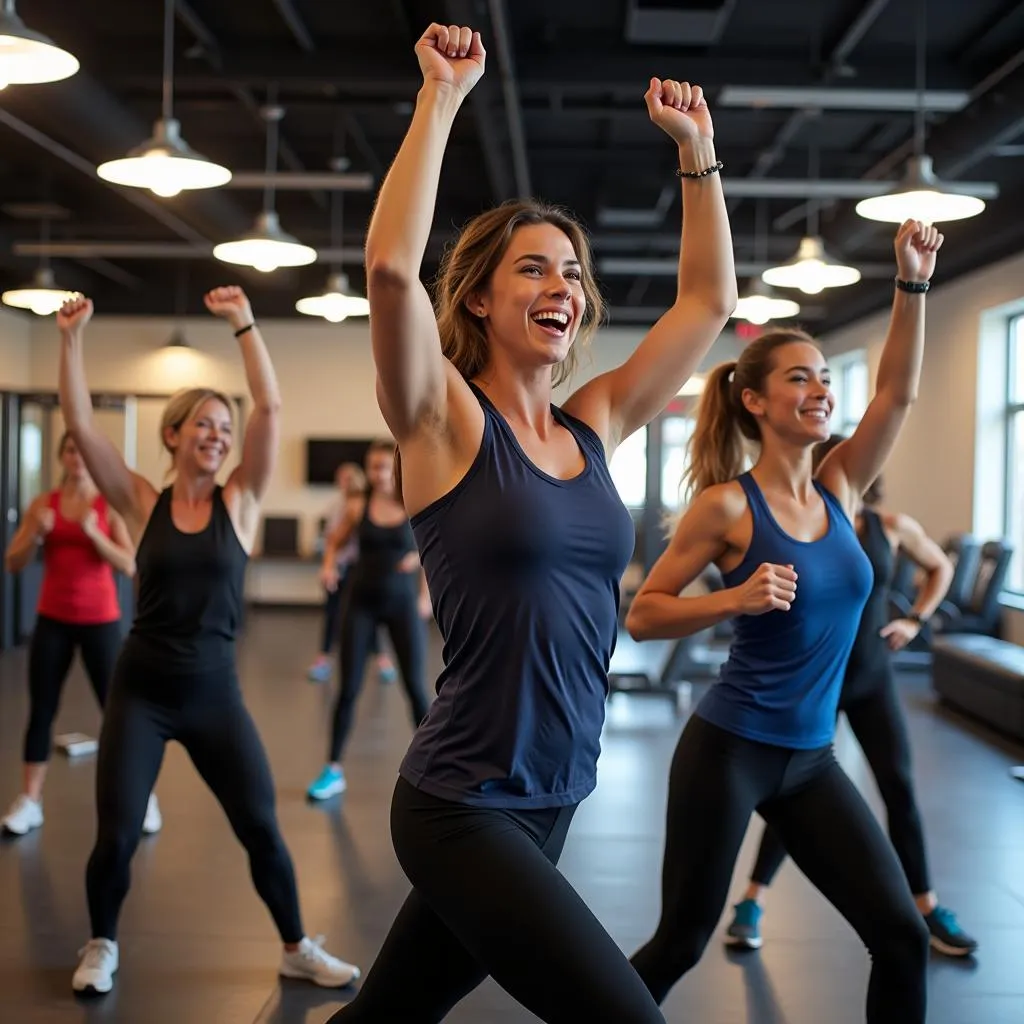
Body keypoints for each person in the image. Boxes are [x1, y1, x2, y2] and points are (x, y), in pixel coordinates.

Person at [328, 20, 736, 1024]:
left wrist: (697, 158)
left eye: (574, 272)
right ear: (476, 293)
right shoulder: (441, 419)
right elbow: (388, 271)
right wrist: (441, 97)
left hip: (557, 789)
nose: (564, 286)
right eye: (534, 268)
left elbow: (708, 300)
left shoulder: (592, 421)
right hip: (461, 803)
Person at [625, 220, 943, 1024]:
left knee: (900, 936)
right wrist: (733, 597)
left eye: (825, 377)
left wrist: (912, 282)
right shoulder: (727, 505)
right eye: (800, 378)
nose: (821, 389)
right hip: (729, 750)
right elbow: (644, 614)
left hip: (810, 761)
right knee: (681, 942)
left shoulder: (841, 489)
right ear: (757, 401)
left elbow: (898, 393)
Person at [56, 288, 359, 997]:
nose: (218, 435)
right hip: (143, 690)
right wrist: (70, 339)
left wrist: (244, 326)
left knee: (261, 827)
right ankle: (101, 942)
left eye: (225, 426)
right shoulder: (140, 500)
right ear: (172, 435)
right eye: (203, 424)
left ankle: (295, 946)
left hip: (214, 692)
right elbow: (79, 422)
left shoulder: (241, 502)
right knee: (118, 835)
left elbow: (273, 410)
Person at [725, 433, 978, 957]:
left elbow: (941, 567)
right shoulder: (801, 529)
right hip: (816, 679)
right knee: (793, 791)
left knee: (899, 786)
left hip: (870, 676)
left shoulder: (890, 526)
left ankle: (927, 906)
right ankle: (751, 901)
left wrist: (914, 620)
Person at [1, 433, 161, 838]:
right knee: (41, 711)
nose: (77, 458)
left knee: (120, 714)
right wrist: (35, 533)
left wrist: (95, 535)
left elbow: (130, 564)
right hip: (52, 620)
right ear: (62, 456)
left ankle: (144, 797)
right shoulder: (44, 505)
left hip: (101, 621)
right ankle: (30, 802)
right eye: (70, 450)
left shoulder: (107, 506)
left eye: (83, 451)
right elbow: (13, 562)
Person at [307, 440, 432, 800]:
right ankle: (333, 769)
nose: (377, 474)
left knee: (414, 687)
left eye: (383, 467)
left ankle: (433, 767)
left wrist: (424, 595)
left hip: (401, 604)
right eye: (372, 467)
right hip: (360, 601)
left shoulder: (413, 504)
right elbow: (334, 542)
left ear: (395, 467)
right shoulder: (357, 505)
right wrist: (329, 565)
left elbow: (430, 550)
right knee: (348, 689)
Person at [306, 462, 396, 686]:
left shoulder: (366, 505)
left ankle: (382, 661)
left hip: (361, 571)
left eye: (349, 478)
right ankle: (323, 659)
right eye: (341, 478)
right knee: (332, 614)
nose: (344, 482)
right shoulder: (337, 505)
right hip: (341, 569)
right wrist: (329, 566)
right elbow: (332, 540)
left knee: (371, 618)